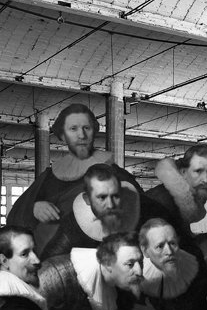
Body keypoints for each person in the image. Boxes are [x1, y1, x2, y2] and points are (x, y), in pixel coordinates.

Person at [6, 103, 141, 248]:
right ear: (63, 135)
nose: (81, 135)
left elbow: (141, 216)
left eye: (86, 128)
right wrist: (34, 208)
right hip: (46, 253)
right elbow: (14, 216)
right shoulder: (49, 176)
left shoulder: (116, 174)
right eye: (73, 129)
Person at [37, 232, 143, 310]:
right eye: (130, 264)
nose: (139, 272)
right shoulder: (55, 275)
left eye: (140, 262)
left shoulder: (117, 289)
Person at [40, 163, 141, 259]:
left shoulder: (140, 213)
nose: (110, 205)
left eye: (115, 196)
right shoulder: (72, 227)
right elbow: (48, 263)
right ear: (87, 199)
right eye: (102, 197)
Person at [130, 218, 207, 310]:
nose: (169, 252)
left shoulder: (194, 269)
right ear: (145, 251)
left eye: (172, 243)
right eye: (160, 246)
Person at [146, 145, 207, 241]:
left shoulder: (180, 201)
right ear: (183, 172)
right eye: (198, 171)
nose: (206, 180)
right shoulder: (163, 202)